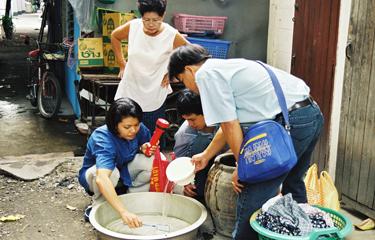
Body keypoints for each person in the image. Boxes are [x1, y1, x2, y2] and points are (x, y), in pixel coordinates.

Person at [168, 44, 324, 239]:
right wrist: (207, 155)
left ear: (189, 70)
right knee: (293, 183)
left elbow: (230, 125)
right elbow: (229, 124)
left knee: (251, 190)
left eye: (182, 80)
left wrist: (243, 167)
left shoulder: (205, 75)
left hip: (292, 122)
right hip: (310, 115)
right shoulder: (225, 68)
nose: (187, 87)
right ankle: (303, 233)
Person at [111, 0, 188, 136]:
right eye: (146, 20)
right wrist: (122, 64)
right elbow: (115, 36)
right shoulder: (133, 27)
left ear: (163, 16)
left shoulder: (171, 34)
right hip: (130, 88)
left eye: (156, 20)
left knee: (152, 137)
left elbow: (189, 52)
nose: (151, 24)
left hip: (154, 92)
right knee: (122, 132)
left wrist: (172, 72)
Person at [78, 98, 157, 228]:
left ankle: (131, 199)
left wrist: (143, 148)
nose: (133, 130)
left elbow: (145, 144)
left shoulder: (138, 128)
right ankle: (99, 205)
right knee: (110, 173)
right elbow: (102, 178)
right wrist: (123, 212)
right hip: (96, 176)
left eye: (136, 125)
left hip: (124, 169)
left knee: (152, 162)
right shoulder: (103, 138)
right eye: (127, 127)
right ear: (115, 125)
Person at [173, 89, 217, 203]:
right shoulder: (184, 134)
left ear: (206, 112)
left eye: (192, 119)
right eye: (186, 120)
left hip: (221, 163)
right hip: (199, 168)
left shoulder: (224, 123)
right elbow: (179, 162)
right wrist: (185, 183)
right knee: (201, 143)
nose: (190, 124)